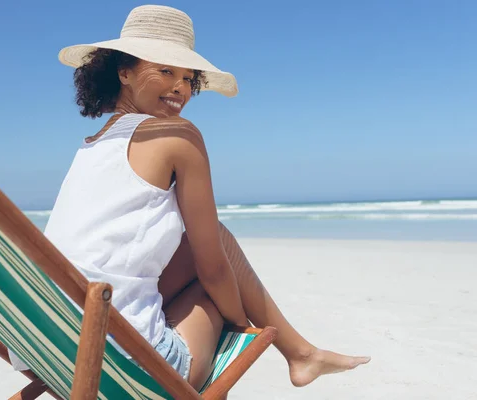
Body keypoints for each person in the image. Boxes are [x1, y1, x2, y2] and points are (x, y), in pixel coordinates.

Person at [48, 4, 370, 392]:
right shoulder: (178, 136)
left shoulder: (92, 146)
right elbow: (214, 269)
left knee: (213, 240)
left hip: (55, 347)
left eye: (188, 77)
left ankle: (302, 354)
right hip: (131, 369)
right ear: (124, 71)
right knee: (218, 278)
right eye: (166, 70)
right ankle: (300, 354)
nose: (180, 87)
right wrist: (242, 329)